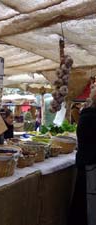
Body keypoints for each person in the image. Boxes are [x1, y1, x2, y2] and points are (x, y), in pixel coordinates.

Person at [68, 88, 96, 225]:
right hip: (91, 167)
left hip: (87, 164)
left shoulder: (87, 116)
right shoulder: (90, 117)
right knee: (88, 204)